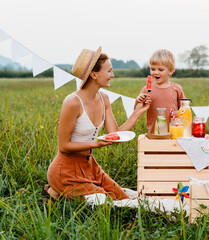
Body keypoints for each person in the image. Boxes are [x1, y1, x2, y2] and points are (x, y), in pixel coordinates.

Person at [45, 47, 150, 201]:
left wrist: (137, 112)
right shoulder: (73, 102)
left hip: (90, 167)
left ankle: (57, 194)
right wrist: (95, 144)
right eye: (109, 71)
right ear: (93, 74)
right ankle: (55, 191)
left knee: (122, 198)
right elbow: (63, 146)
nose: (112, 75)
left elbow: (116, 134)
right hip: (66, 171)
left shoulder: (104, 99)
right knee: (106, 202)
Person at [135, 49, 185, 133]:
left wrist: (179, 112)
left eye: (160, 70)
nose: (155, 72)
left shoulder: (176, 88)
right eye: (153, 69)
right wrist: (138, 100)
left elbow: (184, 108)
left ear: (171, 71)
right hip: (154, 133)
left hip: (174, 132)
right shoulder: (146, 90)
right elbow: (136, 110)